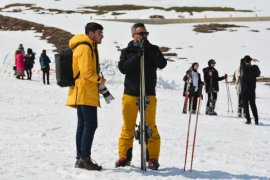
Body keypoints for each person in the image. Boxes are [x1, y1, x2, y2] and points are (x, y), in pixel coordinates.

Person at [116, 23, 167, 170]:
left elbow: (162, 64)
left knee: (150, 127)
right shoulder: (127, 51)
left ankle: (152, 158)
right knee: (128, 127)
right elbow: (123, 68)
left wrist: (148, 50)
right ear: (133, 35)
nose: (144, 36)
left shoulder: (153, 49)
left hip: (148, 94)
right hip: (130, 94)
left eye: (146, 34)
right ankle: (124, 157)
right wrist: (137, 56)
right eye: (141, 34)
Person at [66, 22, 105, 171]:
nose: (102, 36)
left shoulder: (85, 46)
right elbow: (87, 72)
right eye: (99, 32)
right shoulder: (85, 47)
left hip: (82, 91)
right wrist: (100, 80)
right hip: (85, 91)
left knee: (83, 125)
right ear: (91, 33)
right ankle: (84, 158)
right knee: (90, 124)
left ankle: (81, 158)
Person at [241, 55, 261, 125]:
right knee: (253, 105)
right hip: (252, 90)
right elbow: (258, 74)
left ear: (245, 61)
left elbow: (241, 60)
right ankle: (256, 120)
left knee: (246, 105)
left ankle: (248, 120)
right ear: (250, 61)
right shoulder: (255, 68)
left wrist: (250, 59)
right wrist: (251, 60)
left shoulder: (243, 68)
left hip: (244, 90)